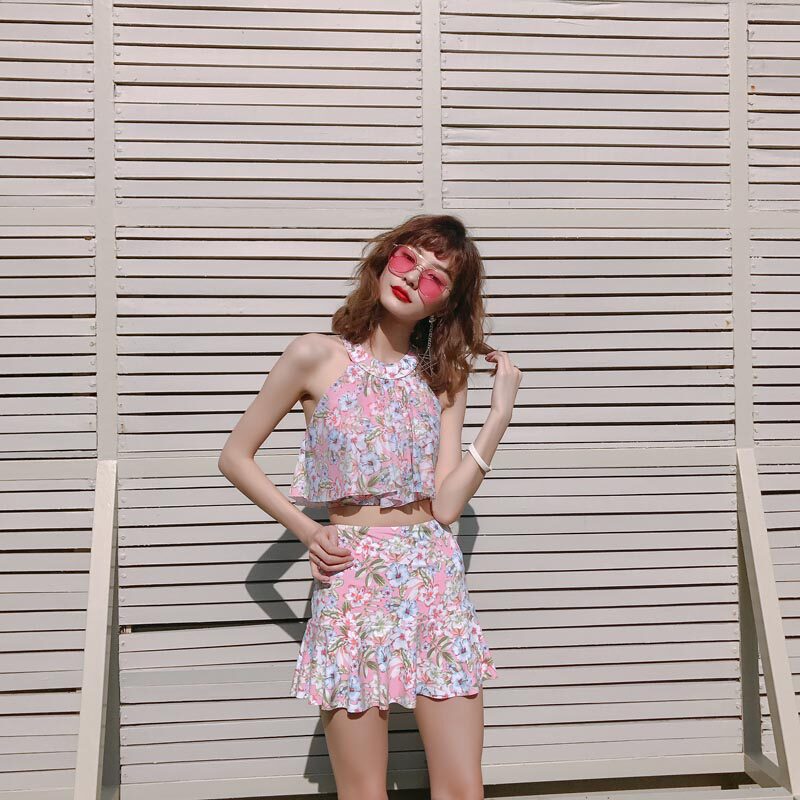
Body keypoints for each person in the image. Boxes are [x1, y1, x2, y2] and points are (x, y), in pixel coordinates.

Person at [218, 213, 522, 800]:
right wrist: (308, 531)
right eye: (409, 259)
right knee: (363, 792)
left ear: (444, 304)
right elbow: (235, 456)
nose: (412, 278)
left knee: (463, 788)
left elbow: (446, 506)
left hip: (433, 577)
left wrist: (498, 418)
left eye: (435, 278)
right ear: (386, 259)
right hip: (353, 578)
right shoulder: (315, 355)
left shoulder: (444, 377)